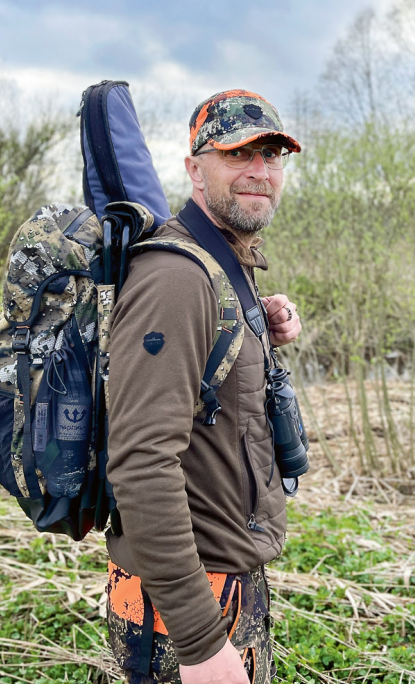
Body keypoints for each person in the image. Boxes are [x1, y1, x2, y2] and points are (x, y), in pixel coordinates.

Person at [104, 90, 303, 684]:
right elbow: (141, 464)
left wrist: (255, 330)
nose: (260, 173)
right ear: (194, 169)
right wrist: (201, 645)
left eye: (271, 155)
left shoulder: (223, 263)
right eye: (238, 155)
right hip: (183, 608)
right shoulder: (175, 278)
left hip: (224, 585)